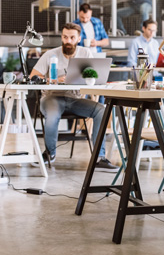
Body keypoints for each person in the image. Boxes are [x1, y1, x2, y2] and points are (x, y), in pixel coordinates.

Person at [29, 23, 118, 172]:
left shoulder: (85, 53)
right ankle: (50, 154)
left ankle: (99, 157)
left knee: (101, 110)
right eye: (65, 37)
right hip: (52, 98)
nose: (67, 41)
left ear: (78, 38)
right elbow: (33, 77)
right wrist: (55, 80)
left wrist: (87, 80)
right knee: (52, 115)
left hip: (74, 99)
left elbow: (92, 77)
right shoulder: (50, 55)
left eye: (71, 37)